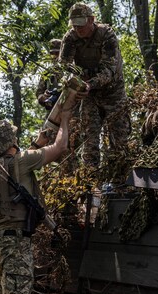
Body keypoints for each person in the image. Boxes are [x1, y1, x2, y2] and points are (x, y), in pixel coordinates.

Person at [0, 107, 71, 294]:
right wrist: (66, 119)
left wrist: (37, 143)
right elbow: (61, 147)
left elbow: (17, 173)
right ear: (10, 141)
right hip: (16, 245)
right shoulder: (20, 162)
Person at [59, 2, 130, 172]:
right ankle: (90, 182)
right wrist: (74, 82)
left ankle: (119, 180)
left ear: (92, 20)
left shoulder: (106, 35)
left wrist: (90, 84)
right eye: (75, 26)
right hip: (88, 95)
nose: (78, 29)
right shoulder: (70, 38)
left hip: (113, 93)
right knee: (89, 139)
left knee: (119, 141)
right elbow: (63, 66)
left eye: (81, 25)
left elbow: (110, 69)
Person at [36, 39, 63, 111]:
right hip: (53, 110)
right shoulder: (47, 73)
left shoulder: (72, 69)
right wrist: (43, 97)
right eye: (52, 53)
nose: (54, 56)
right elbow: (39, 92)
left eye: (57, 53)